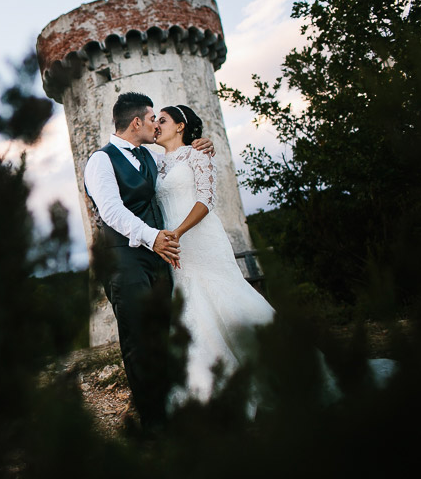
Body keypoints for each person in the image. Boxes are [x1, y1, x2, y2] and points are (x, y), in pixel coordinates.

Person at [153, 104, 396, 416]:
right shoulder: (157, 163)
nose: (156, 125)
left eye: (162, 120)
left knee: (229, 298)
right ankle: (207, 385)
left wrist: (178, 232)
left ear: (181, 126)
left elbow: (206, 199)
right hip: (178, 251)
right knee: (192, 306)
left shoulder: (198, 154)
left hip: (198, 239)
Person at [83, 92, 215, 432]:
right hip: (123, 257)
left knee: (164, 331)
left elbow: (177, 164)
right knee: (139, 337)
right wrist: (152, 236)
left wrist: (201, 144)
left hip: (158, 256)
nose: (157, 123)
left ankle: (174, 404)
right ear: (137, 121)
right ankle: (155, 424)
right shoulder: (101, 160)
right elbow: (111, 211)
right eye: (153, 117)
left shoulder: (150, 156)